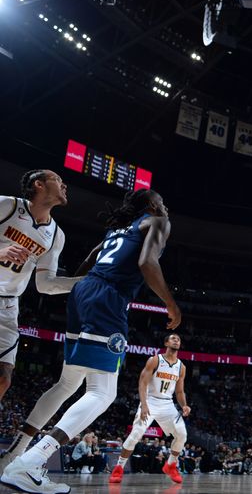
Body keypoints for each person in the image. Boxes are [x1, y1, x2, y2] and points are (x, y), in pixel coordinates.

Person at [0, 189, 181, 494]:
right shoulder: (157, 220)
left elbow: (89, 258)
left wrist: (89, 290)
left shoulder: (116, 230)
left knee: (68, 384)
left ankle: (17, 454)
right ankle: (29, 463)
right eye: (161, 201)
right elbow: (148, 263)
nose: (165, 206)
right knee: (102, 392)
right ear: (151, 205)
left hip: (84, 292)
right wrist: (171, 304)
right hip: (108, 298)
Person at [0, 170, 89, 404]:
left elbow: (45, 285)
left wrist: (87, 283)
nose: (64, 185)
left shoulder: (55, 235)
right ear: (39, 185)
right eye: (58, 180)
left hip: (8, 306)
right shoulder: (7, 205)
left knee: (3, 377)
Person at [110, 332, 190, 484]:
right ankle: (119, 468)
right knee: (136, 433)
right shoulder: (155, 360)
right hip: (150, 401)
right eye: (173, 338)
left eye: (178, 339)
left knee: (182, 434)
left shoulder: (182, 367)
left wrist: (184, 405)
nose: (176, 340)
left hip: (167, 404)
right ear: (166, 343)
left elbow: (179, 391)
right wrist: (144, 404)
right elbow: (143, 383)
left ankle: (171, 465)